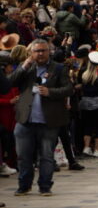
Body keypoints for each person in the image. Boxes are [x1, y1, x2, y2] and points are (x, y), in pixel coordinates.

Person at [9, 39, 72, 196]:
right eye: (37, 51)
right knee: (23, 156)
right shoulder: (26, 69)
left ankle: (45, 186)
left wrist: (50, 92)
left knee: (46, 157)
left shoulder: (58, 68)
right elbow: (10, 83)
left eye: (43, 50)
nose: (40, 54)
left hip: (48, 121)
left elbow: (68, 89)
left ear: (49, 51)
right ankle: (24, 186)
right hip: (25, 119)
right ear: (31, 53)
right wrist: (24, 66)